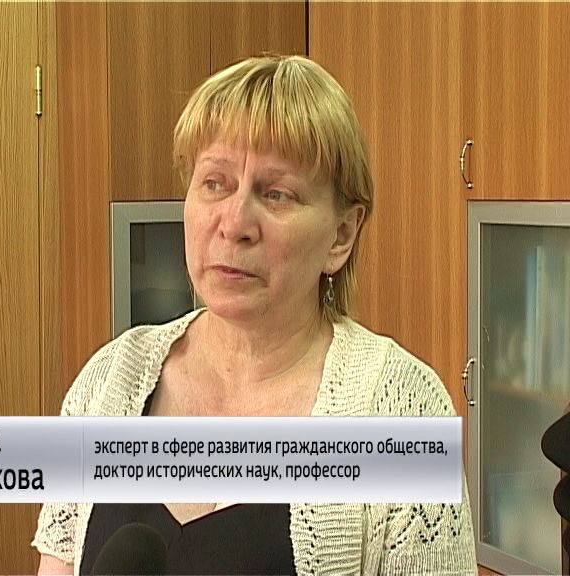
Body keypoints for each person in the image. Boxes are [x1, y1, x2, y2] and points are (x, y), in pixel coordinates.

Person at [32, 55, 477, 575]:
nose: (235, 223)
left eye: (276, 194)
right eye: (215, 183)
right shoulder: (109, 379)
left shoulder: (402, 412)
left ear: (341, 236)